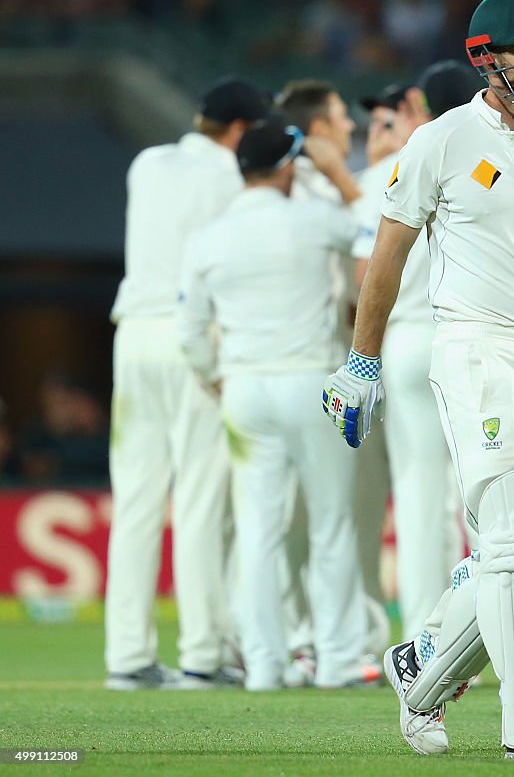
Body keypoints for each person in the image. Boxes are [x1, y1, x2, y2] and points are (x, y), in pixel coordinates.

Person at [323, 0, 514, 760]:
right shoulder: (443, 140)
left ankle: (419, 669)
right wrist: (361, 360)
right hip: (473, 347)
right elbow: (388, 253)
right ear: (486, 61)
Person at [178, 120, 369, 691]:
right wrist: (336, 172)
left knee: (258, 531)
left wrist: (216, 378)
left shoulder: (208, 237)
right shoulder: (312, 218)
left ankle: (263, 666)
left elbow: (189, 331)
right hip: (312, 382)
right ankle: (336, 662)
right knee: (332, 523)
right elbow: (373, 230)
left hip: (244, 388)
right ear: (287, 167)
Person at [104, 77, 268, 691]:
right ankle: (202, 652)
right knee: (200, 499)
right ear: (242, 131)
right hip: (194, 337)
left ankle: (127, 657)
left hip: (133, 338)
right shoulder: (234, 178)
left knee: (137, 500)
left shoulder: (148, 163)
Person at [351, 62, 483, 641]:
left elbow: (367, 271)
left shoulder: (400, 163)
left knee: (418, 491)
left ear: (415, 102)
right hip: (475, 337)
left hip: (407, 338)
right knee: (482, 489)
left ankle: (428, 639)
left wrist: (362, 357)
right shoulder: (492, 161)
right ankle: (482, 628)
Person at [273, 78, 387, 688]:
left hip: (333, 362)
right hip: (307, 363)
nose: (351, 127)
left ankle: (332, 638)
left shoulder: (319, 189)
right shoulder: (310, 190)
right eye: (343, 115)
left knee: (337, 512)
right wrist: (346, 181)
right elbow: (378, 237)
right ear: (319, 130)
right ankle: (301, 642)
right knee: (302, 516)